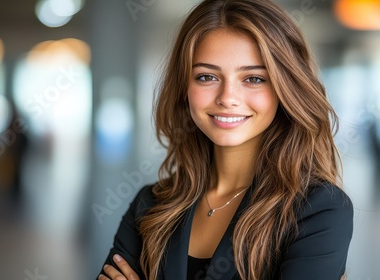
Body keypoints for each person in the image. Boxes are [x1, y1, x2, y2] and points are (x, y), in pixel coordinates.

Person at [97, 0, 353, 279]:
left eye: (254, 78)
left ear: (286, 88)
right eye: (206, 76)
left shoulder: (318, 209)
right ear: (185, 88)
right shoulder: (150, 205)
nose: (227, 98)